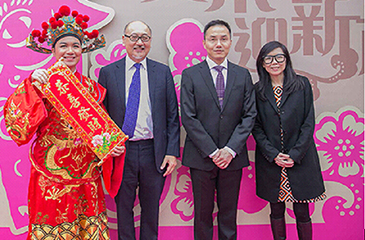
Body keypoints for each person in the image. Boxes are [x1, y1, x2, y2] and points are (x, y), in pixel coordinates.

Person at [4, 5, 125, 240]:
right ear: (53, 49)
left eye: (75, 46)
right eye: (63, 46)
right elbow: (18, 127)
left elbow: (98, 130)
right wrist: (31, 87)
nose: (70, 51)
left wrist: (112, 148)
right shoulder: (42, 81)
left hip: (86, 173)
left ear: (82, 50)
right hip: (51, 172)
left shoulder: (92, 88)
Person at [98, 21, 180, 240]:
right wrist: (107, 148)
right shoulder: (108, 73)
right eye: (133, 37)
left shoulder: (162, 72)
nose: (139, 42)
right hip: (121, 152)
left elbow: (173, 115)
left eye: (144, 37)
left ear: (150, 42)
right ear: (124, 40)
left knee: (151, 208)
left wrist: (172, 152)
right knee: (122, 207)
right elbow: (101, 116)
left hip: (154, 151)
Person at [180, 19, 256, 240]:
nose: (218, 44)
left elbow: (249, 115)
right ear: (204, 43)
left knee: (228, 215)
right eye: (213, 39)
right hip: (202, 157)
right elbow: (189, 117)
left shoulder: (242, 75)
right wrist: (213, 151)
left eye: (223, 39)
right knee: (202, 216)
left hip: (233, 158)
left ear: (231, 42)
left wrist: (230, 150)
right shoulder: (191, 74)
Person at [252, 41, 326, 240]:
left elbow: (308, 122)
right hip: (272, 161)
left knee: (302, 212)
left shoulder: (301, 85)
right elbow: (256, 127)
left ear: (286, 60)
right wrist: (273, 154)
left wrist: (294, 154)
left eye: (279, 57)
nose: (274, 62)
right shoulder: (257, 90)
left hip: (299, 160)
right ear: (262, 63)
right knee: (276, 211)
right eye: (268, 58)